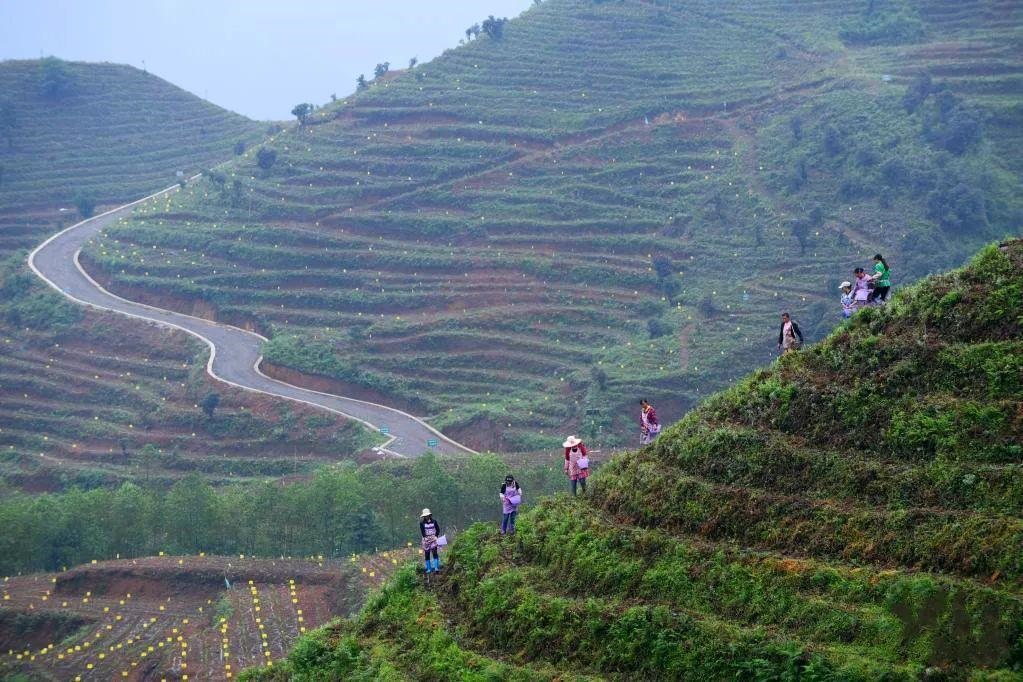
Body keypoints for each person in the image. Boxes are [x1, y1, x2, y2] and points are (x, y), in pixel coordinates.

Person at [419, 508, 442, 574]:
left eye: (427, 515)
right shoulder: (422, 523)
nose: (426, 517)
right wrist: (425, 538)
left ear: (430, 515)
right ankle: (429, 569)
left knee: (434, 552)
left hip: (433, 538)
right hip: (426, 539)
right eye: (425, 516)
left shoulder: (434, 521)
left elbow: (438, 529)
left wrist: (436, 536)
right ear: (424, 516)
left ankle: (436, 568)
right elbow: (422, 532)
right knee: (427, 554)